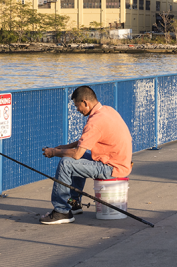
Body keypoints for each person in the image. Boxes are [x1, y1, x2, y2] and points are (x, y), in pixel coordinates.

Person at [39, 85, 132, 224]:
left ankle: (61, 211)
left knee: (66, 163)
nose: (77, 110)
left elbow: (77, 154)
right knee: (72, 158)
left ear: (85, 102)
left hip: (112, 168)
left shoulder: (95, 122)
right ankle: (74, 202)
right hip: (119, 163)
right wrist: (64, 147)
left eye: (77, 106)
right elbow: (87, 139)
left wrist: (53, 152)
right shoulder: (107, 111)